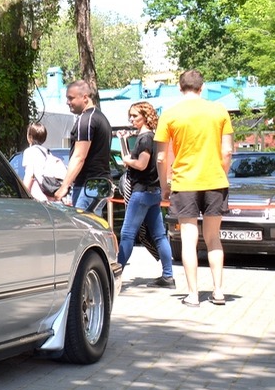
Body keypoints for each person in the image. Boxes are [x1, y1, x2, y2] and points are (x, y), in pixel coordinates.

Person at [155, 70, 233, 307]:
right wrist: (221, 173)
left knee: (189, 240)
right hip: (215, 182)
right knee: (213, 239)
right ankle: (218, 292)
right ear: (203, 87)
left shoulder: (169, 115)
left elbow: (161, 157)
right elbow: (227, 151)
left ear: (180, 88)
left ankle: (192, 295)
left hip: (184, 182)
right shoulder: (220, 111)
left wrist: (164, 186)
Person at [117, 102, 176, 288]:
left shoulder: (145, 138)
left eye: (135, 116)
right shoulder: (154, 137)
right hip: (154, 192)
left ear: (145, 115)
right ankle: (168, 276)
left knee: (127, 234)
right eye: (130, 116)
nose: (131, 119)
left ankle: (115, 275)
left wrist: (127, 160)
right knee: (159, 235)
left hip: (141, 192)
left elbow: (141, 164)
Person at [55, 80, 113, 210]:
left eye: (71, 98)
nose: (67, 102)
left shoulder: (86, 119)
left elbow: (79, 157)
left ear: (85, 97)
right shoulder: (101, 118)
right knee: (94, 227)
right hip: (99, 184)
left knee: (83, 226)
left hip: (89, 186)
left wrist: (64, 187)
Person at [21, 123, 57, 202]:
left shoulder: (29, 151)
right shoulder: (47, 152)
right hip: (49, 195)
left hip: (37, 196)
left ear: (30, 137)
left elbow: (30, 175)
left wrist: (23, 194)